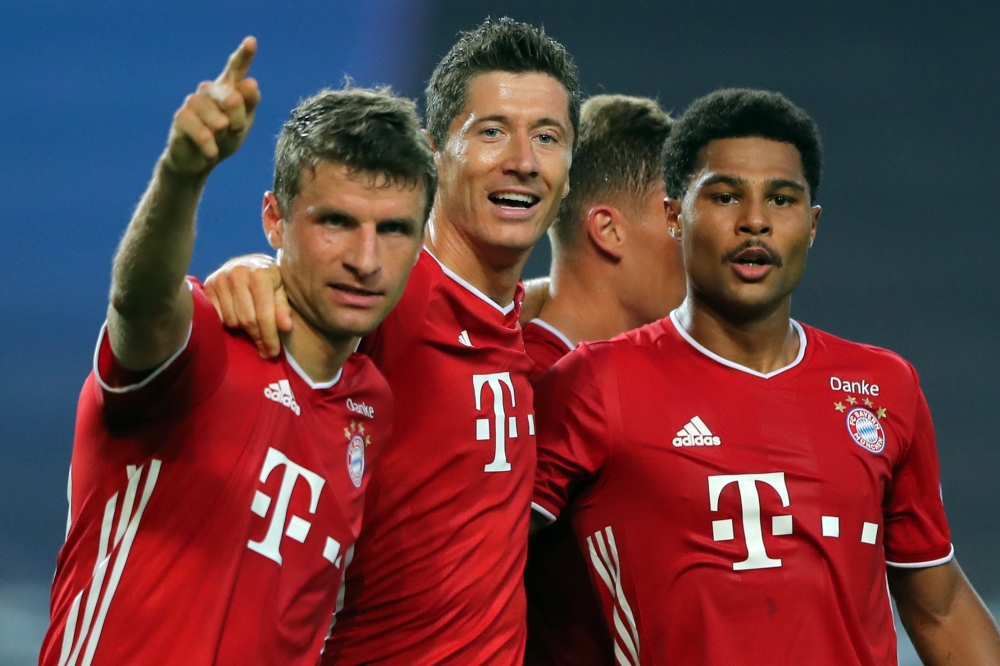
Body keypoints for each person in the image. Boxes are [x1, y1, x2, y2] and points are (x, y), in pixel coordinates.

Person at [530, 88, 1000, 665]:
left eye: (782, 200)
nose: (755, 221)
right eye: (725, 197)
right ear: (676, 216)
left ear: (812, 224)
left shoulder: (884, 387)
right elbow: (474, 557)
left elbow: (940, 606)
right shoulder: (594, 383)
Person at [39, 38, 435, 665]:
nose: (365, 260)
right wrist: (182, 174)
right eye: (336, 222)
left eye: (393, 230)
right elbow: (139, 302)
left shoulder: (371, 408)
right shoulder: (202, 339)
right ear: (275, 220)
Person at [206, 18, 580, 664]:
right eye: (491, 131)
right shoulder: (389, 298)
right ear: (434, 158)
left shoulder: (515, 330)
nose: (522, 160)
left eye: (547, 137)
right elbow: (311, 287)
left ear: (569, 171)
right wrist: (255, 273)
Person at [521, 95, 684, 666]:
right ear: (608, 230)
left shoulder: (666, 375)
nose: (699, 238)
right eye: (675, 216)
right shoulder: (513, 386)